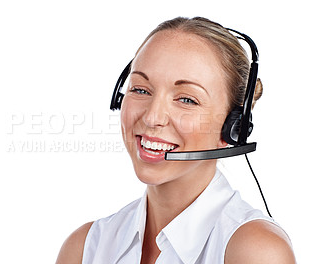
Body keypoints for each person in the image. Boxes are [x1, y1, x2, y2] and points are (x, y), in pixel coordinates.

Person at [56, 17, 296, 264]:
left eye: (187, 100)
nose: (152, 117)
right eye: (140, 89)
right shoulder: (84, 249)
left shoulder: (256, 252)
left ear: (234, 127)